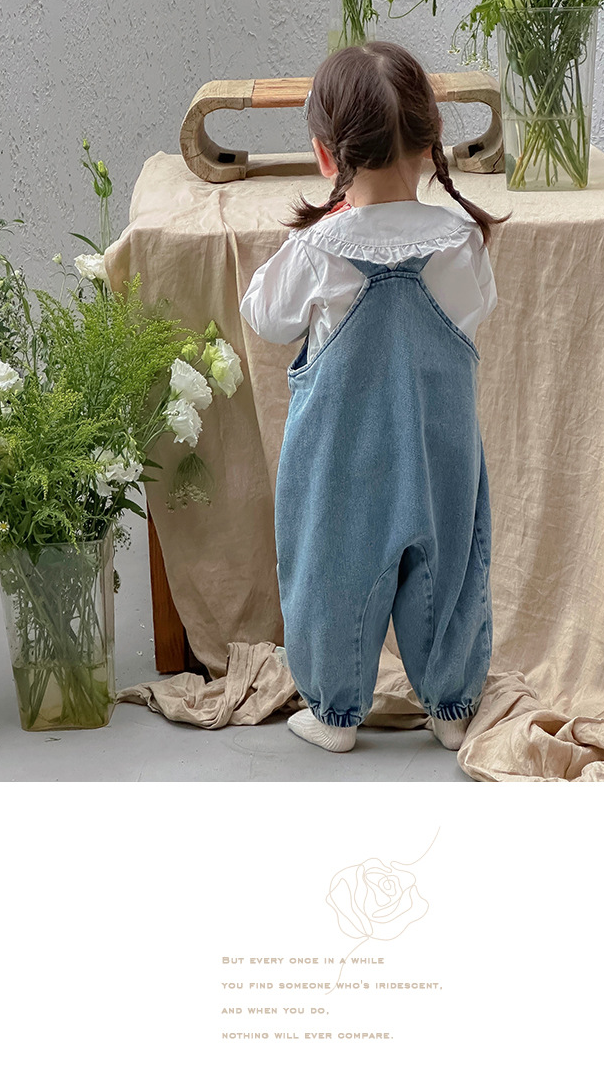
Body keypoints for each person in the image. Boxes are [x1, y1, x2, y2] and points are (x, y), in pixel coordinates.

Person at [239, 40, 510, 754]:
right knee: (449, 574)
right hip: (439, 455)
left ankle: (334, 713)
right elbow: (476, 309)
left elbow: (264, 315)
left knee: (330, 576)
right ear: (432, 137)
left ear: (326, 155)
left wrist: (324, 227)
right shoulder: (462, 240)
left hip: (340, 467)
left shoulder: (319, 250)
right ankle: (450, 706)